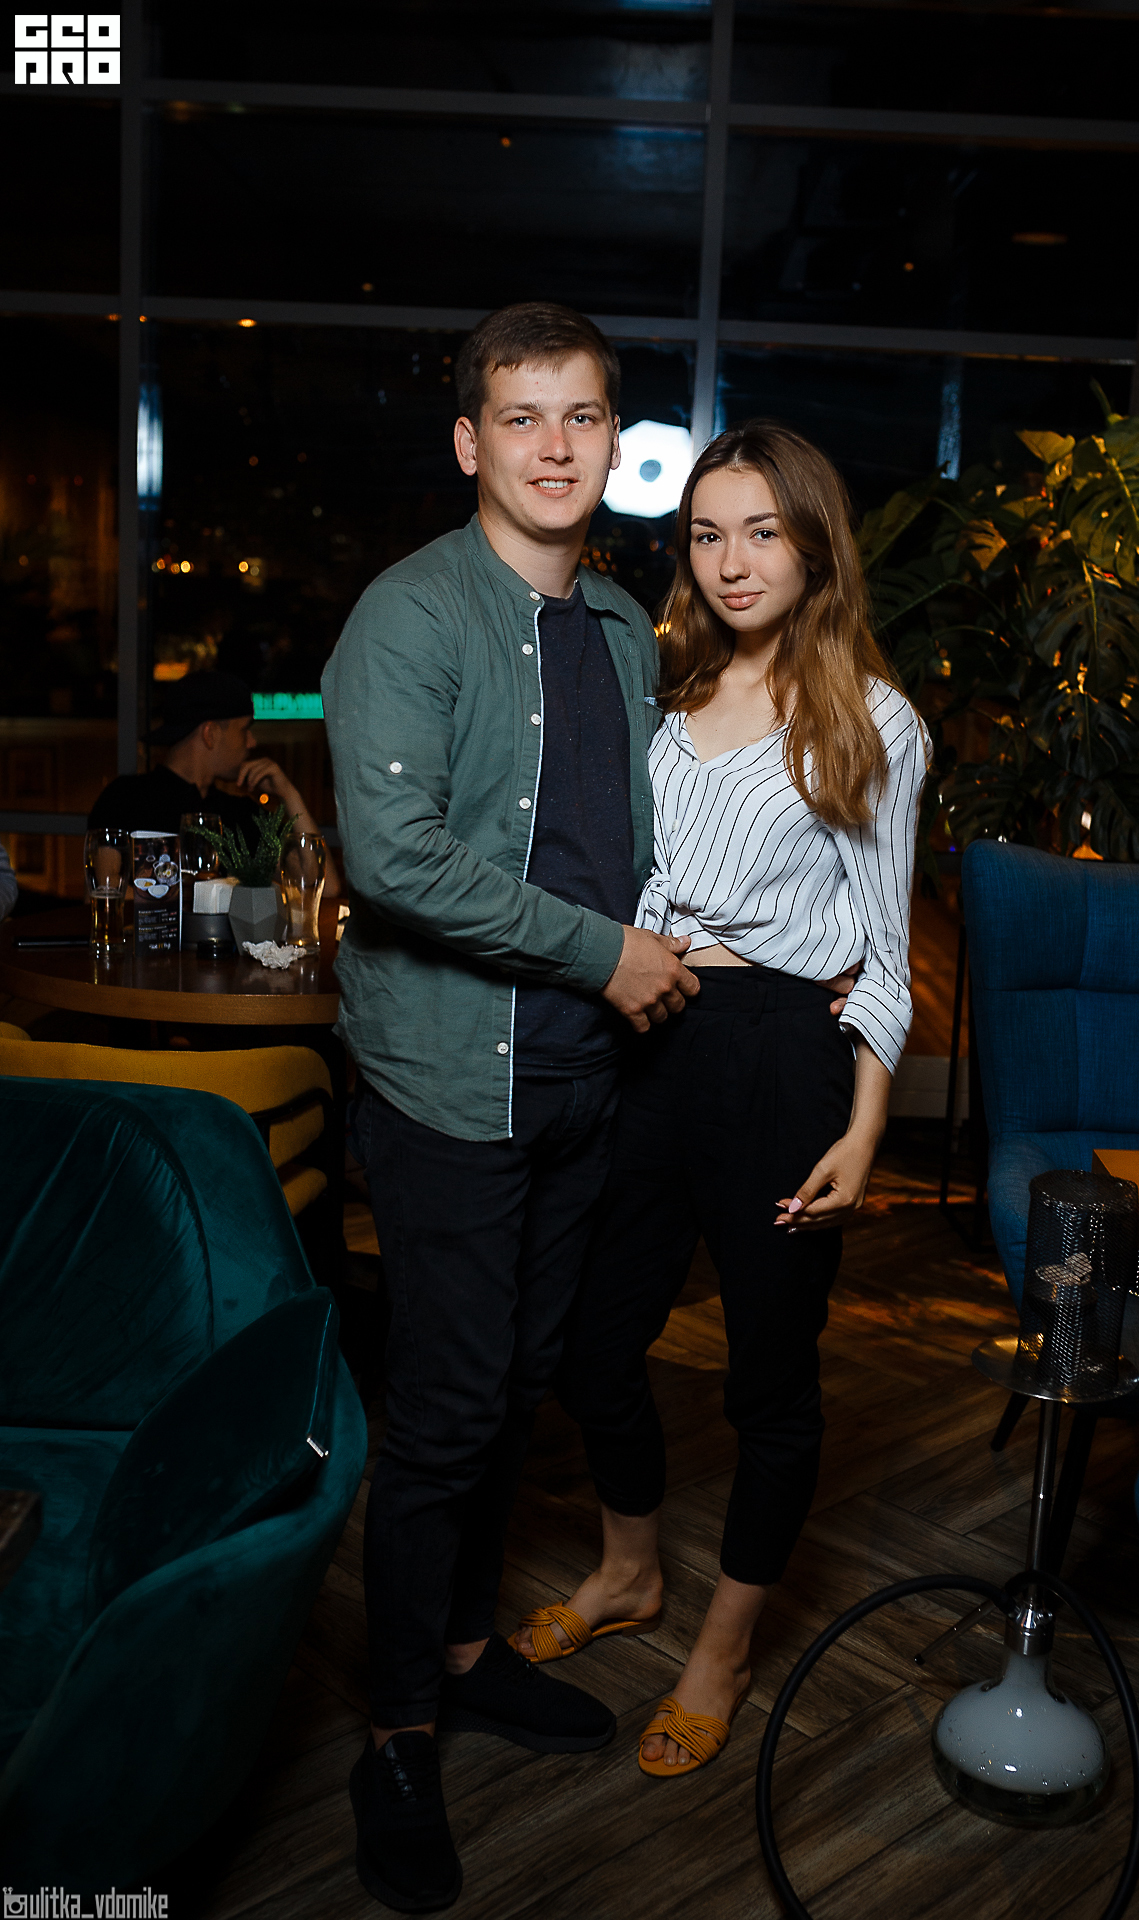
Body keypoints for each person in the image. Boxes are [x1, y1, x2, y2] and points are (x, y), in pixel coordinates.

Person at [321, 302, 701, 1911]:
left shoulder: (618, 624)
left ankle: (469, 1654)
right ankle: (397, 1731)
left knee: (523, 1384)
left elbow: (638, 843)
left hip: (585, 1082)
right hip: (449, 1081)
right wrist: (607, 955)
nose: (557, 446)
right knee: (450, 1412)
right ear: (473, 441)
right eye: (524, 417)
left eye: (584, 416)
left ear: (617, 441)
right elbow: (395, 861)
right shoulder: (410, 614)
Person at [513, 421, 927, 1778]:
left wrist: (865, 1128)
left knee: (769, 1384)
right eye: (706, 533)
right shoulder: (667, 690)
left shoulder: (872, 720)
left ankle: (726, 1647)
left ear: (813, 547)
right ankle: (631, 1567)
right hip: (644, 1041)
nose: (731, 560)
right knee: (589, 1348)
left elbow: (883, 952)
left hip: (778, 1061)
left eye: (761, 531)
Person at [87, 669, 319, 838]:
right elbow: (106, 888)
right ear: (210, 734)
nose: (252, 742)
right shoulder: (125, 801)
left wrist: (289, 794)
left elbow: (322, 884)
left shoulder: (240, 814)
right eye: (244, 730)